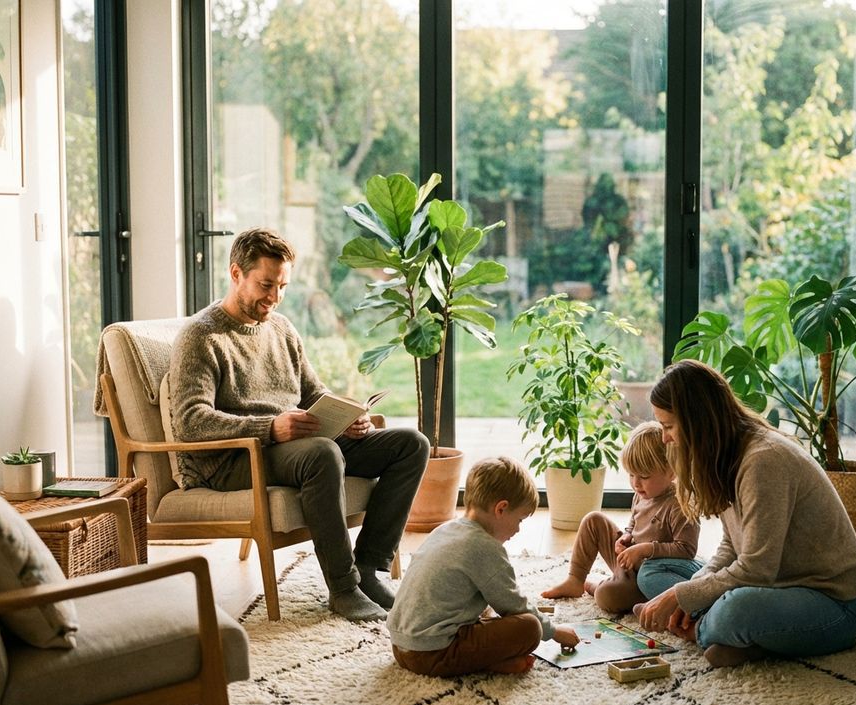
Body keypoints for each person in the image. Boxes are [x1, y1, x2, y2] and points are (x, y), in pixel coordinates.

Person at [168, 227, 430, 623]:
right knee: (321, 453)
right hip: (235, 460)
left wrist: (346, 419)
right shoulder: (201, 336)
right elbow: (190, 422)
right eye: (266, 285)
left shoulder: (281, 328)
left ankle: (369, 569)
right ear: (236, 273)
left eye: (283, 286)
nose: (274, 298)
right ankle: (342, 588)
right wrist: (270, 428)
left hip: (292, 446)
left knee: (411, 444)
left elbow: (311, 393)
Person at [633, 360, 856, 668]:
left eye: (668, 427)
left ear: (696, 422)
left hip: (836, 605)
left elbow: (757, 568)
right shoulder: (728, 455)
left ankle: (708, 631)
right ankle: (742, 640)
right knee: (658, 576)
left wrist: (681, 597)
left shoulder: (763, 461)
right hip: (778, 587)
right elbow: (732, 547)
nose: (665, 438)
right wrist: (689, 594)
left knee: (734, 610)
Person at [387, 456, 580, 677]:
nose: (518, 530)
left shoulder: (444, 529)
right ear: (501, 509)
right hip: (433, 653)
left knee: (485, 607)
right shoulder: (485, 547)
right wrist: (554, 632)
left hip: (400, 646)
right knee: (530, 627)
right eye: (520, 520)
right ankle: (487, 664)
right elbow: (514, 605)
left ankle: (488, 661)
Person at [541, 421, 702, 613]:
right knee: (593, 520)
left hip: (646, 577)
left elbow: (687, 550)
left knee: (607, 597)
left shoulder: (680, 505)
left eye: (643, 476)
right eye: (631, 475)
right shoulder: (641, 494)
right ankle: (575, 580)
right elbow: (634, 523)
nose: (635, 483)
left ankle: (600, 587)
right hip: (628, 561)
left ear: (671, 472)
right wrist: (627, 536)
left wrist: (644, 550)